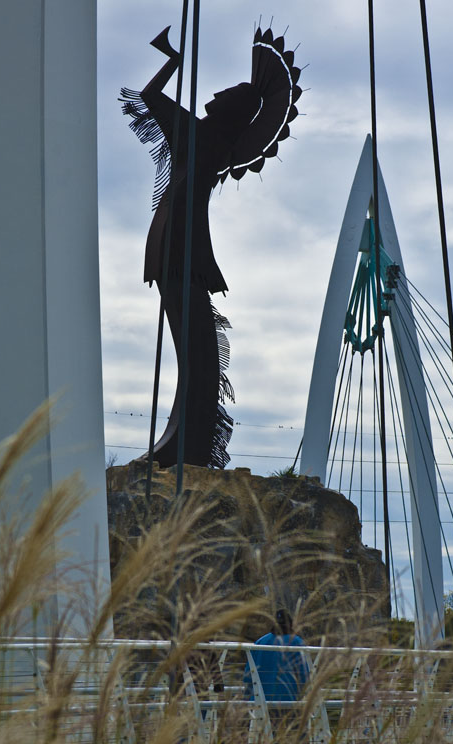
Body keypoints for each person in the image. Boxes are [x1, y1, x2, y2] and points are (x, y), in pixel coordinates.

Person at [120, 25, 302, 469]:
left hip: (176, 244)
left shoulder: (198, 134)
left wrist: (172, 60)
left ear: (232, 108)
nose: (216, 93)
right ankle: (188, 439)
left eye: (228, 92)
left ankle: (186, 442)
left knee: (195, 345)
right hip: (184, 247)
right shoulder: (216, 142)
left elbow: (149, 95)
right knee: (195, 346)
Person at [243, 608, 308, 702]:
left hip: (259, 701)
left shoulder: (260, 642)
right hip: (288, 701)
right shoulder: (297, 642)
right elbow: (304, 675)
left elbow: (248, 675)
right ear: (290, 624)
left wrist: (247, 697)